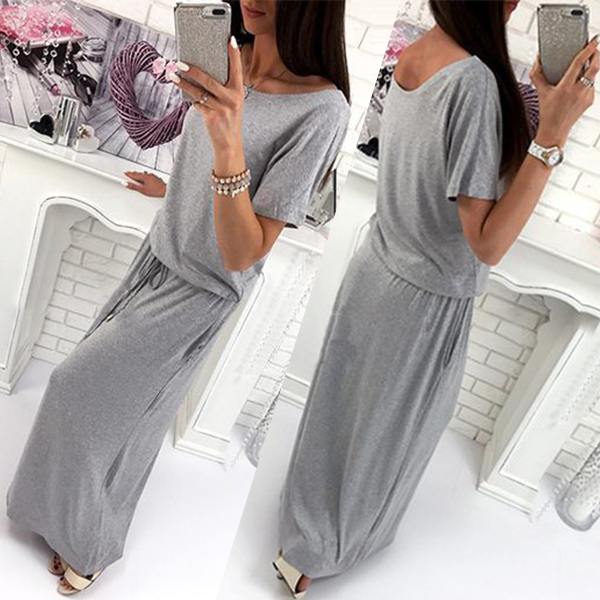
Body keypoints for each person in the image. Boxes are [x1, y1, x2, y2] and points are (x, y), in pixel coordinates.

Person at [5, 0, 350, 594]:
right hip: (157, 256)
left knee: (72, 389)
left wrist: (228, 137)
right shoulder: (230, 60)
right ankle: (80, 527)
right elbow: (207, 176)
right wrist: (171, 189)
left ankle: (87, 541)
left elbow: (246, 250)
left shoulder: (322, 110)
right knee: (127, 418)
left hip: (201, 289)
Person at [272, 1, 598, 597]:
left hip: (380, 265)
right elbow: (487, 242)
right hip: (423, 297)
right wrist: (554, 134)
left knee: (342, 410)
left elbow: (449, 168)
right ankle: (317, 553)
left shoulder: (421, 50)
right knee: (389, 434)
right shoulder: (473, 82)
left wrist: (534, 102)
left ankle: (303, 527)